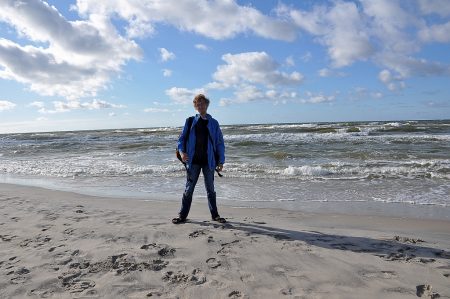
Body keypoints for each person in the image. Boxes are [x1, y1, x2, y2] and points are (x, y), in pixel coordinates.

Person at [172, 94, 226, 224]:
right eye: (198, 104)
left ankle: (215, 215)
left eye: (202, 103)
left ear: (207, 105)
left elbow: (219, 142)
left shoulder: (214, 123)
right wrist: (182, 152)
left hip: (209, 161)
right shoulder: (190, 121)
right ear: (195, 106)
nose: (200, 106)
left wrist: (221, 161)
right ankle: (182, 215)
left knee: (210, 189)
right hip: (193, 161)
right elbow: (181, 139)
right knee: (189, 188)